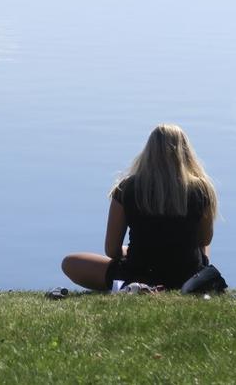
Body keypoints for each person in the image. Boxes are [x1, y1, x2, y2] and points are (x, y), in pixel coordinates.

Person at [61, 124, 219, 290]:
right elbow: (204, 240)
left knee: (70, 263)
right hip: (187, 276)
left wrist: (132, 250)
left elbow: (112, 250)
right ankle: (198, 278)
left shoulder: (126, 188)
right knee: (199, 242)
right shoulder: (201, 189)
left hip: (138, 274)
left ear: (148, 151)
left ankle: (133, 288)